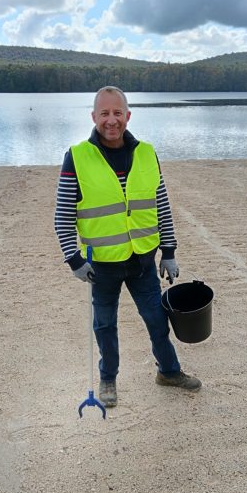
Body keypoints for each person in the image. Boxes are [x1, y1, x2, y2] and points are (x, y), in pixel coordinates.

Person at [54, 86, 201, 408]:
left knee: (157, 321)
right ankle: (108, 379)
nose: (111, 120)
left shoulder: (147, 153)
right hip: (101, 264)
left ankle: (169, 372)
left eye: (117, 113)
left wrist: (170, 251)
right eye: (104, 113)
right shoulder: (77, 156)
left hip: (143, 261)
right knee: (105, 325)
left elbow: (161, 204)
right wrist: (74, 260)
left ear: (127, 116)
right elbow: (62, 216)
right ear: (94, 117)